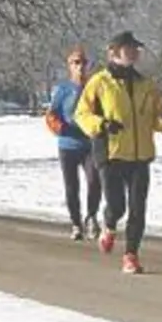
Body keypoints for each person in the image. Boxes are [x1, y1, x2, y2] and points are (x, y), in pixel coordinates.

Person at [75, 31, 162, 274]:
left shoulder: (146, 84)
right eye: (128, 49)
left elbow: (154, 119)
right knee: (117, 205)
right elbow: (81, 114)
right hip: (111, 153)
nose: (133, 53)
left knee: (138, 208)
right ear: (113, 52)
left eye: (135, 49)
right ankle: (109, 226)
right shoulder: (100, 82)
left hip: (141, 154)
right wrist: (102, 125)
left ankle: (131, 255)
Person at [49, 46, 102, 240]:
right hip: (68, 145)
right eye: (76, 63)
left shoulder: (93, 87)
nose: (80, 66)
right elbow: (52, 114)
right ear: (69, 66)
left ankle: (91, 216)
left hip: (90, 144)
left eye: (83, 63)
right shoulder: (63, 89)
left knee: (94, 181)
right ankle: (76, 223)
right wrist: (60, 128)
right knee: (72, 187)